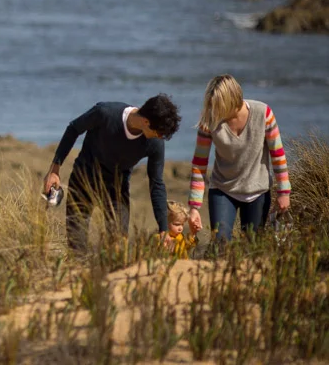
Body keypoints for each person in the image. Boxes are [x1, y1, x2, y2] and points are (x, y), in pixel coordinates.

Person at [43, 95, 181, 251]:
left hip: (116, 188)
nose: (160, 138)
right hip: (84, 179)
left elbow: (156, 183)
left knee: (118, 247)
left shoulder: (155, 144)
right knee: (77, 246)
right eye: (159, 133)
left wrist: (163, 229)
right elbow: (74, 128)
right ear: (146, 122)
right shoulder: (105, 113)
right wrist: (55, 169)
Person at [187, 74, 290, 243]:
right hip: (222, 189)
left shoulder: (263, 113)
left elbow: (277, 155)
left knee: (252, 247)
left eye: (219, 106)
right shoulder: (209, 121)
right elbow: (199, 164)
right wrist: (194, 207)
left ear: (232, 100)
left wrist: (283, 192)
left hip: (257, 191)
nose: (215, 111)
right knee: (219, 244)